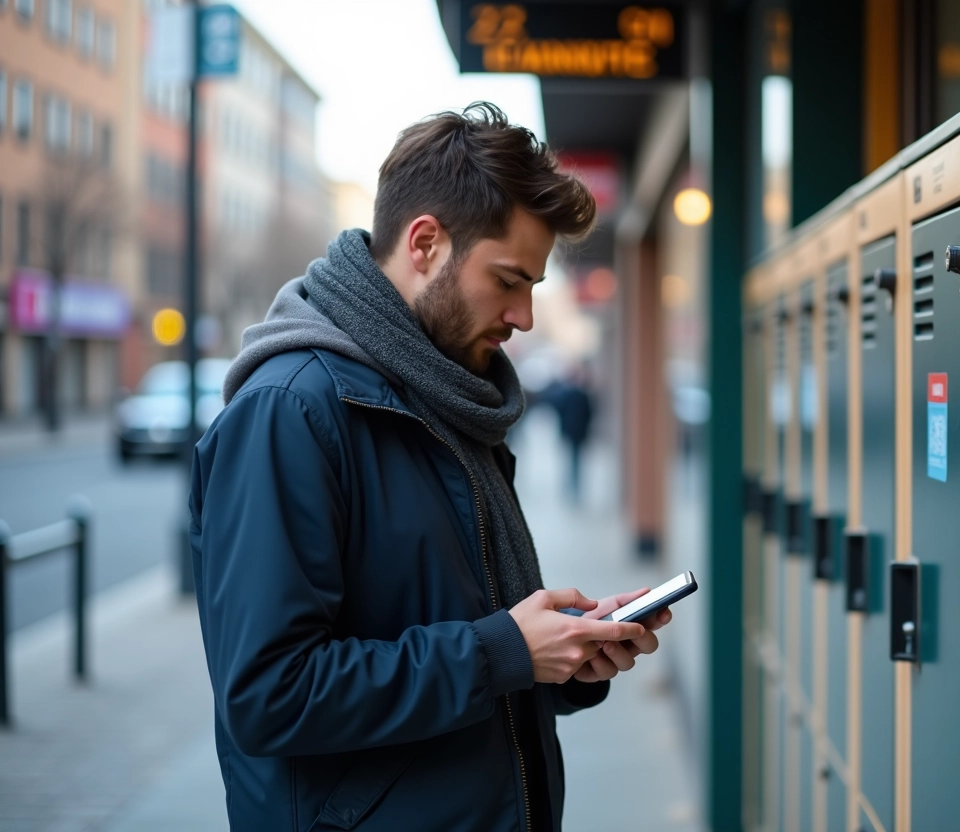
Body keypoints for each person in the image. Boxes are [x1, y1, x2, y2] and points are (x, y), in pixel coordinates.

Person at [188, 103, 673, 832]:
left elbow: (460, 630)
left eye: (533, 287)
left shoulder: (447, 394)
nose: (525, 316)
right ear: (424, 244)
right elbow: (269, 694)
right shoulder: (293, 410)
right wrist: (505, 651)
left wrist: (561, 658)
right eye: (509, 279)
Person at [550, 368, 595, 501]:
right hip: (577, 432)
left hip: (571, 432)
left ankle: (570, 485)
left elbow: (558, 411)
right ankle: (574, 485)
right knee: (576, 459)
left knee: (571, 459)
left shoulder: (567, 394)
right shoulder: (582, 395)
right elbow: (589, 414)